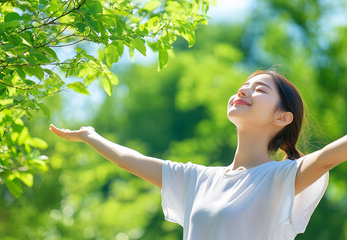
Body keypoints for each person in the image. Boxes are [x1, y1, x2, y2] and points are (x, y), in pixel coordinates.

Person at [49, 69, 347, 240]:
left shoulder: (281, 177)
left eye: (259, 90)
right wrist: (91, 136)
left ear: (282, 118)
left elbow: (327, 158)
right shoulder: (198, 178)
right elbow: (129, 161)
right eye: (244, 86)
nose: (243, 91)